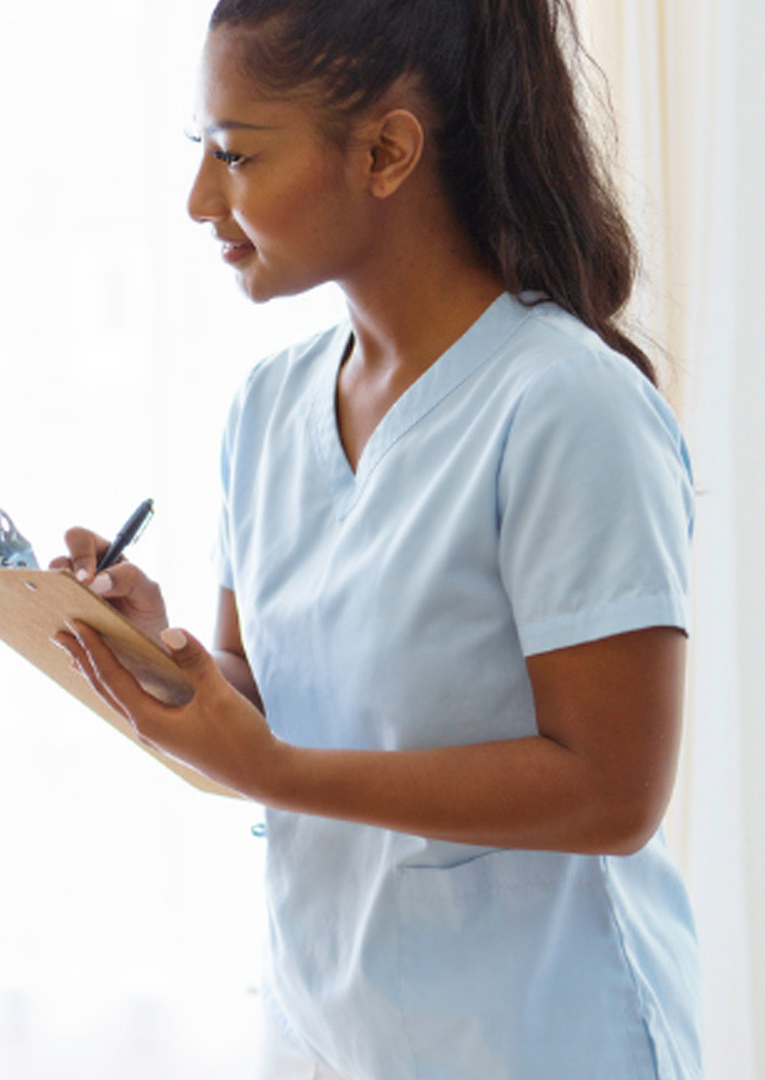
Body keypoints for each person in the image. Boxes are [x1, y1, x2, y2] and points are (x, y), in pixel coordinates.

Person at [52, 2, 701, 1078]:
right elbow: (263, 701)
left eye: (236, 154)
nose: (200, 200)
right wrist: (156, 654)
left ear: (388, 152)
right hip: (333, 1035)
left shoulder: (565, 406)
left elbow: (613, 790)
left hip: (545, 1044)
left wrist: (278, 770)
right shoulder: (267, 409)